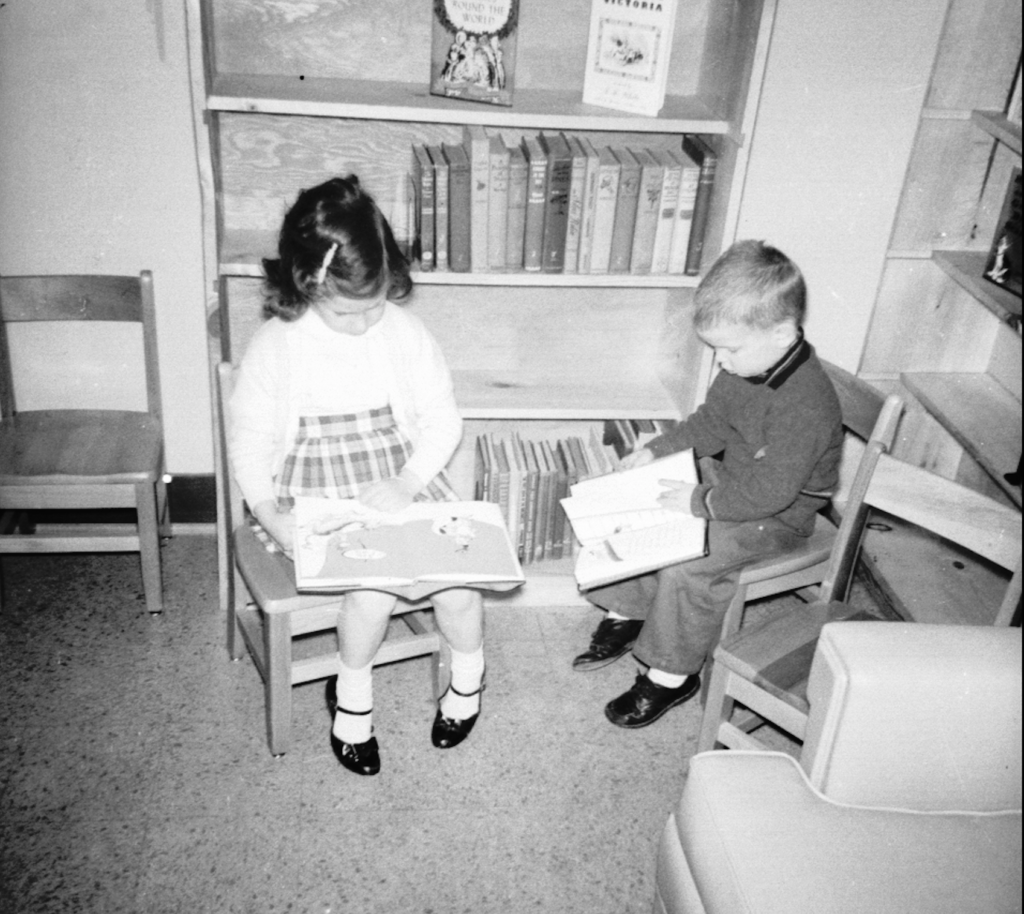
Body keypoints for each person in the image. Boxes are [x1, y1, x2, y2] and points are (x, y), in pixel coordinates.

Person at [229, 175, 488, 776]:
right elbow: (250, 442)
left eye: (377, 303)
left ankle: (469, 683)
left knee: (460, 587)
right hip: (311, 485)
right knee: (372, 591)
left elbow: (442, 422)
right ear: (307, 285)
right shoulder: (277, 345)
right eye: (349, 311)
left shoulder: (401, 330)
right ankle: (352, 703)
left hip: (399, 477)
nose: (367, 321)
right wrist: (271, 516)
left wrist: (409, 480)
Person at [573, 240, 843, 729]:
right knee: (648, 509)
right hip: (738, 483)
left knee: (689, 567)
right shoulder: (748, 366)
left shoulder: (805, 404)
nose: (720, 361)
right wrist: (655, 451)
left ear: (783, 333)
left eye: (729, 348)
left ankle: (671, 676)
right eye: (714, 348)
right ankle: (633, 611)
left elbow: (771, 494)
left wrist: (700, 500)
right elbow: (711, 423)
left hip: (781, 514)